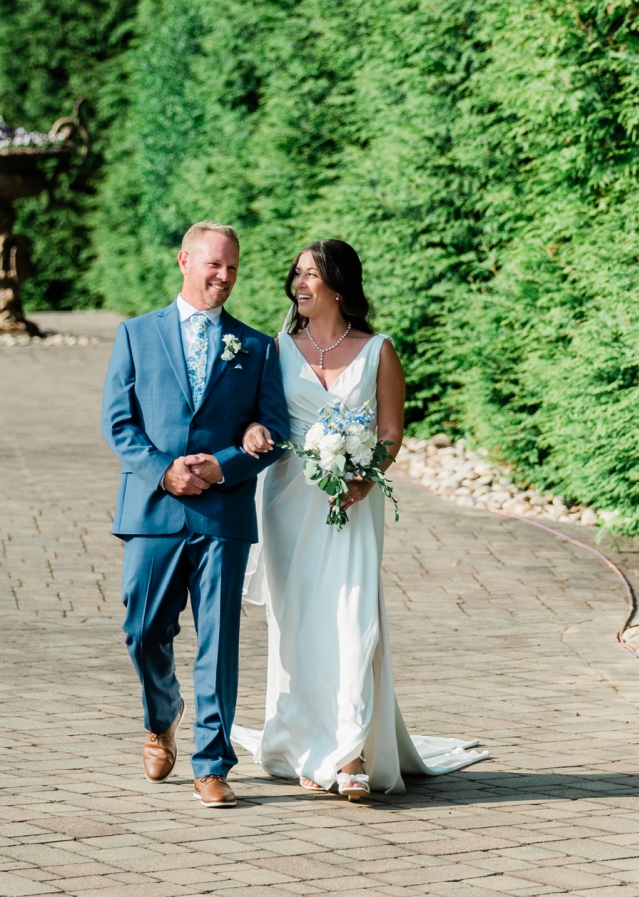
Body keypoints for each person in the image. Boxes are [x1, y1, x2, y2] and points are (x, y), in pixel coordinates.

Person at [230, 241, 488, 798]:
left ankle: (347, 754)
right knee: (296, 628)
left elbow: (391, 434)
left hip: (354, 501)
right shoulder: (275, 349)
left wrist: (365, 477)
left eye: (311, 276)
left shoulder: (378, 351)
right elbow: (258, 420)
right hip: (286, 503)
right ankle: (304, 744)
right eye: (296, 274)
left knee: (352, 619)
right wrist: (252, 432)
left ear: (339, 286)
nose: (299, 284)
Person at [100, 221, 288, 809]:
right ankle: (162, 715)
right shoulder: (135, 334)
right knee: (142, 630)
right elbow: (118, 423)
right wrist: (165, 469)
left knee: (219, 640)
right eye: (213, 265)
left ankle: (213, 764)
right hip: (153, 509)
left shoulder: (256, 347)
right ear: (185, 260)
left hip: (223, 516)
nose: (224, 277)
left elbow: (275, 431)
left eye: (232, 268)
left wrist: (226, 465)